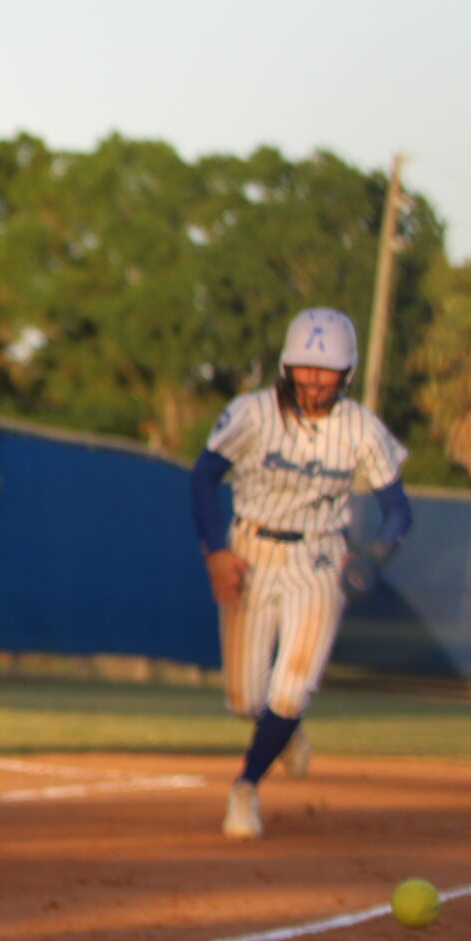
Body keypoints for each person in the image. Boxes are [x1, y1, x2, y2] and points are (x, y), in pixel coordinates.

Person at [189, 307, 413, 841]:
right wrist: (214, 551)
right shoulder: (251, 413)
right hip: (251, 550)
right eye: (304, 368)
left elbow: (399, 509)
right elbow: (203, 479)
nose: (314, 380)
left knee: (288, 693)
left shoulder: (359, 427)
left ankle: (245, 788)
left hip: (318, 558)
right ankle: (284, 732)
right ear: (286, 367)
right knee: (247, 699)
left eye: (327, 370)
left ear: (348, 373)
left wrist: (376, 554)